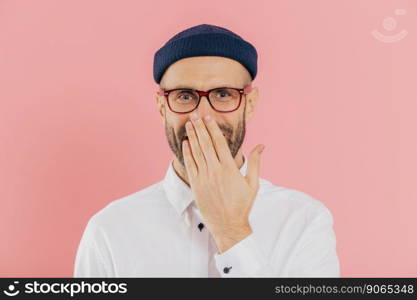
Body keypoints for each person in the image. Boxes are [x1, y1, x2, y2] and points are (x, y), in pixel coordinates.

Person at [73, 24, 340, 277]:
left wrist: (232, 231)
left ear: (250, 104)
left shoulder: (303, 220)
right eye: (185, 96)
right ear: (162, 106)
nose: (202, 116)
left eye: (223, 94)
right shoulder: (109, 229)